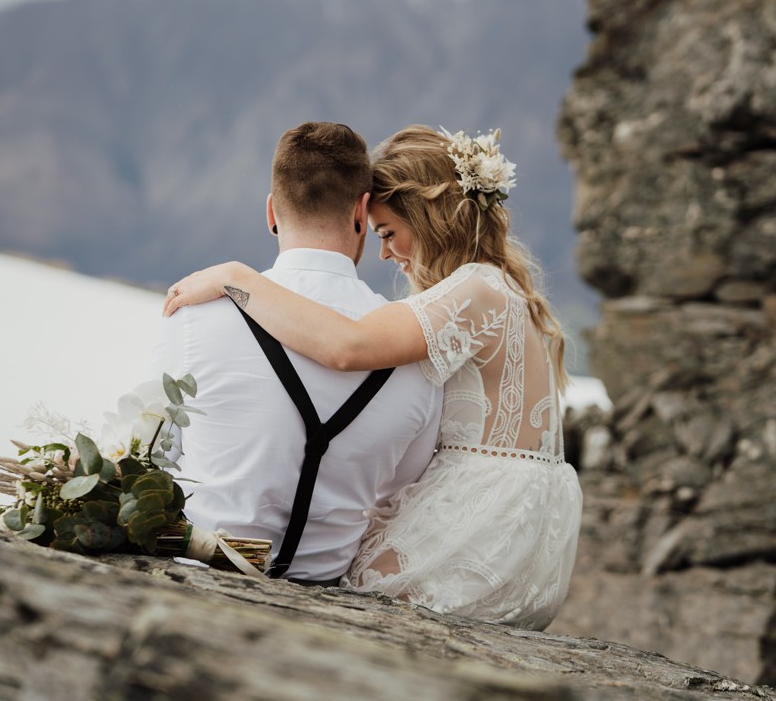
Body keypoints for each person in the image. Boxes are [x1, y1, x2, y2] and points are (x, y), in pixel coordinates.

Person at [165, 124, 583, 630]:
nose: (385, 253)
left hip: (479, 521)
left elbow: (349, 346)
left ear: (431, 218)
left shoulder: (476, 291)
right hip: (522, 525)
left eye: (389, 233)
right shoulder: (499, 290)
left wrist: (238, 278)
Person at [152, 121, 442, 585]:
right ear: (361, 213)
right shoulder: (416, 349)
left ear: (271, 211)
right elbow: (403, 488)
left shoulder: (195, 313)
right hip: (327, 594)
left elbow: (158, 452)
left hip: (196, 578)